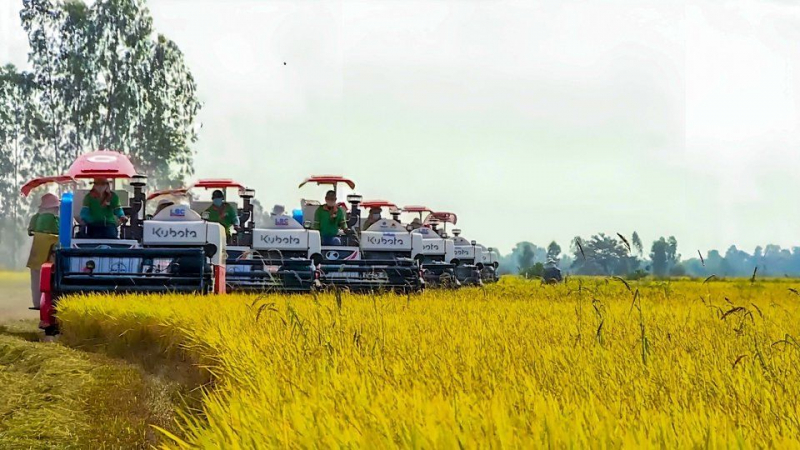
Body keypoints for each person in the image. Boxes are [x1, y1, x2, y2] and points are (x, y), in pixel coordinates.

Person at [26, 194, 60, 309]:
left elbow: (30, 232)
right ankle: (52, 303)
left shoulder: (35, 218)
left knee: (36, 280)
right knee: (52, 280)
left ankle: (37, 303)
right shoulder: (56, 219)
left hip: (36, 254)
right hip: (51, 255)